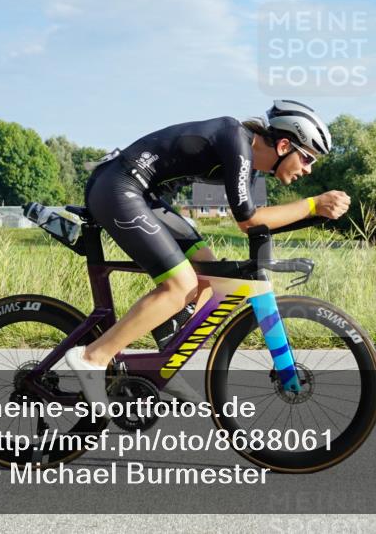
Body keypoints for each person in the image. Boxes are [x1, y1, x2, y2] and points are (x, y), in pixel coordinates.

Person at [64, 100, 350, 411]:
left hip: (143, 196)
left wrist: (320, 215)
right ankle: (93, 357)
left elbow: (256, 222)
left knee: (209, 275)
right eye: (307, 158)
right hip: (120, 187)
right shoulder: (236, 141)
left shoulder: (249, 163)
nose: (308, 169)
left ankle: (162, 363)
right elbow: (249, 220)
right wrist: (312, 205)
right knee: (180, 285)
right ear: (284, 144)